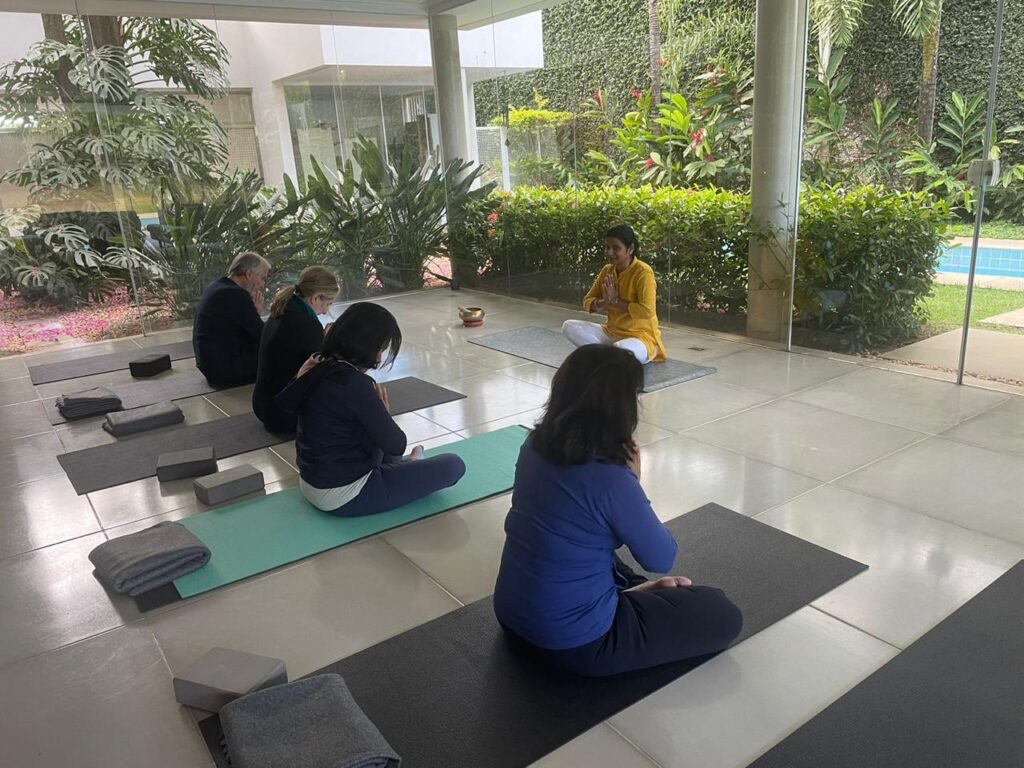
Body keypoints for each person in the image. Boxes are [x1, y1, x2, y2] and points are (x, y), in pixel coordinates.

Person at [493, 344, 742, 677]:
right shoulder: (612, 479)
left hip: (512, 617)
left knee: (579, 543)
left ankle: (628, 594)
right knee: (721, 611)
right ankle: (628, 598)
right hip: (574, 644)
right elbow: (661, 558)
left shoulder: (534, 444)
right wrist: (634, 479)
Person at [275, 302, 467, 517]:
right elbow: (396, 444)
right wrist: (383, 412)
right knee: (453, 465)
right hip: (344, 495)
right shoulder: (354, 384)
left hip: (311, 482)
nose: (379, 358)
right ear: (367, 347)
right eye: (381, 350)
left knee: (374, 439)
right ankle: (410, 466)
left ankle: (406, 466)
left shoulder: (319, 366)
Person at [562, 224, 666, 365]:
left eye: (616, 248)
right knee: (568, 326)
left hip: (640, 338)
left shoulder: (643, 272)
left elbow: (647, 312)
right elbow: (587, 301)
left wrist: (615, 301)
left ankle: (609, 356)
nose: (610, 253)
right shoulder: (607, 270)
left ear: (630, 249)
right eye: (607, 248)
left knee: (619, 349)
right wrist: (603, 302)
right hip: (610, 333)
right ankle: (610, 357)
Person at [252, 266, 340, 433]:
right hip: (283, 415)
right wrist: (328, 341)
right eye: (327, 304)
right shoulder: (307, 324)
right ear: (316, 298)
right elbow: (324, 371)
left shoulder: (282, 310)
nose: (325, 311)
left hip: (263, 404)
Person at [193, 251, 270, 387]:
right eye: (262, 278)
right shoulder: (235, 295)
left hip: (211, 365)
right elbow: (262, 335)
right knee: (281, 350)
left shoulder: (217, 286)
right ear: (249, 274)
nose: (262, 284)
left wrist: (254, 312)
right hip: (224, 370)